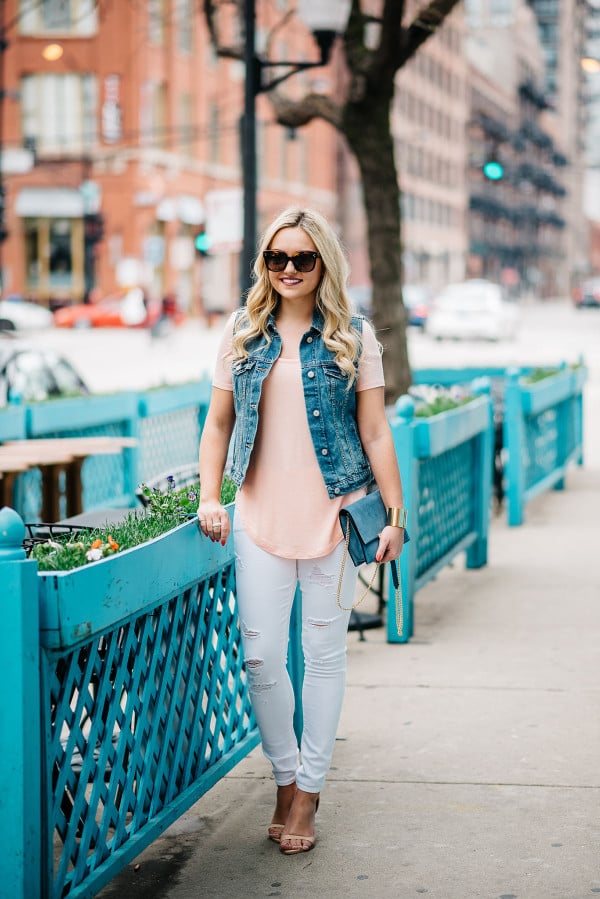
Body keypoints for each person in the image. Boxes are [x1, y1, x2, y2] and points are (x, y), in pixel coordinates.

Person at [197, 207, 405, 855]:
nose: (288, 269)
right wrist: (210, 496)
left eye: (303, 259)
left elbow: (374, 430)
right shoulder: (242, 333)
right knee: (261, 658)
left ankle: (308, 791)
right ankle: (284, 776)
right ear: (263, 265)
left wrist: (394, 515)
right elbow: (217, 424)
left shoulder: (354, 336)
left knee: (323, 659)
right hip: (258, 517)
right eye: (276, 258)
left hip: (336, 518)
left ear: (324, 266)